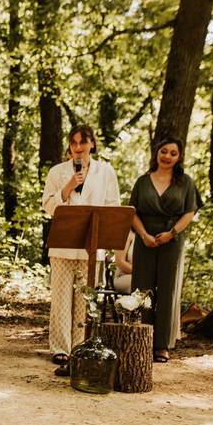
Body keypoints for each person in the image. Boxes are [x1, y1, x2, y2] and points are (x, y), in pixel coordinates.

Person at [41, 124, 121, 375]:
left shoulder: (106, 171)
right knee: (61, 299)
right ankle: (60, 348)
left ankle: (80, 345)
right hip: (63, 245)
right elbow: (48, 207)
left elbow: (113, 206)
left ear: (92, 144)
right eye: (73, 143)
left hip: (91, 248)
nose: (77, 148)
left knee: (86, 299)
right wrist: (66, 188)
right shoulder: (57, 172)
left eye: (82, 143)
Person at [129, 136, 202, 362]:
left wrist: (172, 234)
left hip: (172, 239)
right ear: (156, 153)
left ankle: (161, 345)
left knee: (168, 290)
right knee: (142, 290)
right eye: (164, 151)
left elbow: (189, 212)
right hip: (145, 238)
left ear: (179, 157)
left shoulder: (185, 182)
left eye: (173, 153)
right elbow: (132, 212)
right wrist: (144, 235)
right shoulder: (142, 181)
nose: (167, 156)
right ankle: (141, 339)